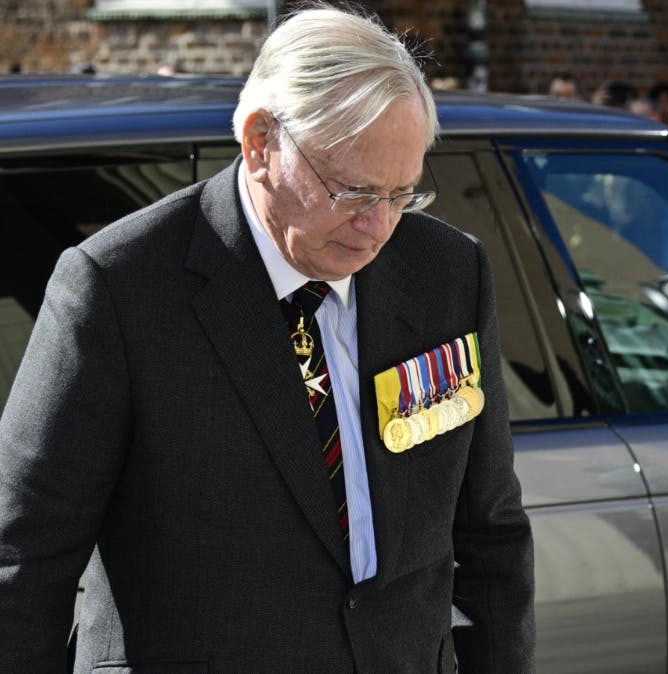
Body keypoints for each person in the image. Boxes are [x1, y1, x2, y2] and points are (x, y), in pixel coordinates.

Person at [0, 5, 535, 672]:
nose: (378, 228)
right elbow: (24, 561)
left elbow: (491, 534)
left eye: (402, 195)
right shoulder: (121, 288)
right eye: (354, 192)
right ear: (260, 144)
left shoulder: (447, 272)